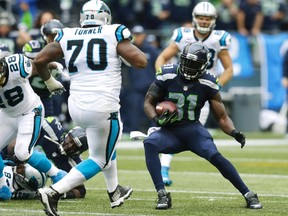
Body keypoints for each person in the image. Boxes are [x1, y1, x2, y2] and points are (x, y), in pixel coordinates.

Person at [33, 0, 147, 215]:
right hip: (103, 106)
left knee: (104, 146)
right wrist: (124, 52)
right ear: (105, 16)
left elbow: (39, 60)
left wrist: (49, 82)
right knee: (100, 158)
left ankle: (114, 191)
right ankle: (54, 191)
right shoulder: (113, 32)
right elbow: (141, 61)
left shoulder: (68, 33)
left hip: (76, 105)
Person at [143, 41, 262, 210]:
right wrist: (156, 118)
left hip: (193, 131)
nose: (189, 67)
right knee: (150, 143)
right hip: (170, 132)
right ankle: (162, 194)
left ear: (204, 66)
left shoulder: (208, 82)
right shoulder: (167, 74)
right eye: (187, 62)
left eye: (194, 64)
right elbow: (149, 101)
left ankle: (248, 193)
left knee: (216, 157)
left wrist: (234, 132)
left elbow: (221, 117)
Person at [154, 1, 234, 186]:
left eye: (207, 18)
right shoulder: (183, 35)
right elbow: (162, 58)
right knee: (177, 128)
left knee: (186, 130)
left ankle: (162, 161)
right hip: (179, 87)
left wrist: (214, 87)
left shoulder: (218, 39)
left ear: (213, 20)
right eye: (201, 18)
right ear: (194, 19)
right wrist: (163, 79)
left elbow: (229, 69)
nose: (204, 21)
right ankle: (163, 168)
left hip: (201, 91)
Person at [0, 52, 67, 201]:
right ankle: (2, 187)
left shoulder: (15, 65)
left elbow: (37, 64)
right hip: (7, 114)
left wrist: (51, 75)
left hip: (29, 111)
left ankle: (58, 175)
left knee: (22, 152)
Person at [1, 116, 89, 199]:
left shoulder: (73, 163)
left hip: (29, 179)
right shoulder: (52, 129)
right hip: (12, 155)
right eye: (70, 141)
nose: (69, 146)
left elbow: (81, 190)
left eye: (75, 147)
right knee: (14, 146)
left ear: (79, 152)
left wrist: (57, 193)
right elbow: (33, 126)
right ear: (68, 135)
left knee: (34, 174)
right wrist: (22, 147)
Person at [23, 39, 64, 117]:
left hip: (41, 99)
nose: (34, 61)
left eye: (36, 58)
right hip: (36, 99)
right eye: (31, 58)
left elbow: (34, 65)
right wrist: (52, 65)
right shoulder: (54, 64)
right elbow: (37, 64)